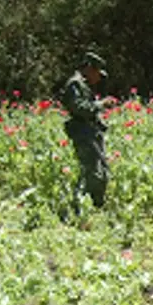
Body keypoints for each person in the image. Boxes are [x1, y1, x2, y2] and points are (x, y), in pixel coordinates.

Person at [60, 52, 112, 211]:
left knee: (100, 170)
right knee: (92, 172)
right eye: (97, 73)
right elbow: (79, 108)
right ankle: (85, 207)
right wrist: (100, 104)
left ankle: (95, 205)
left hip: (91, 132)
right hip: (83, 133)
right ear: (89, 69)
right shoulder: (74, 85)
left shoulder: (83, 85)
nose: (98, 78)